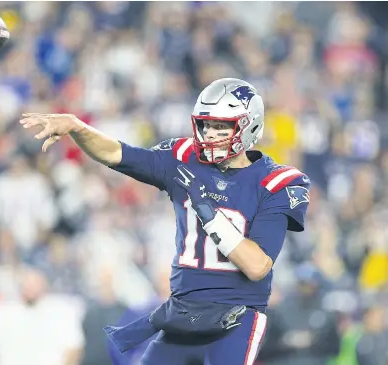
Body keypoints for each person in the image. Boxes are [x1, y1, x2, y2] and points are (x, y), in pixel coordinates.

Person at [20, 78, 311, 365]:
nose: (209, 134)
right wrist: (77, 127)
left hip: (236, 317)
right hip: (184, 314)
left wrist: (207, 212)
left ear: (250, 126)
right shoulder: (184, 159)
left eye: (221, 125)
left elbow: (257, 265)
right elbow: (115, 153)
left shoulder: (275, 182)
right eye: (205, 124)